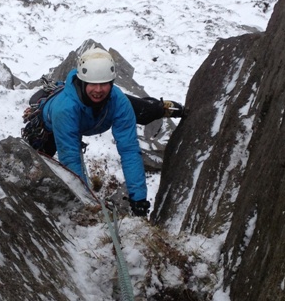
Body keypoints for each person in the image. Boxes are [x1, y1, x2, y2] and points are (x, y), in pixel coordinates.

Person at [22, 47, 184, 217]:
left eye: (104, 83)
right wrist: (87, 204)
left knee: (146, 110)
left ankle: (162, 108)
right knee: (37, 168)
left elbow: (129, 150)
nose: (98, 90)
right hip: (51, 129)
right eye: (93, 83)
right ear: (82, 82)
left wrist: (139, 199)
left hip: (102, 111)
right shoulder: (65, 110)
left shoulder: (117, 100)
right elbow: (70, 160)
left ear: (112, 83)